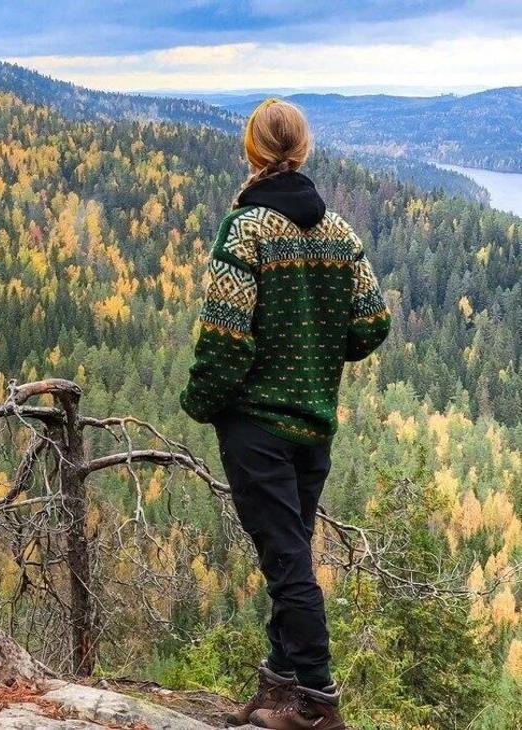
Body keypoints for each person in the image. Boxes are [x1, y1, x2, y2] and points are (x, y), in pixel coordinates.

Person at [180, 98, 391, 730]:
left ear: (254, 151)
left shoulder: (245, 232)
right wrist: (324, 341)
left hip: (257, 428)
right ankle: (277, 691)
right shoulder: (338, 233)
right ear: (302, 150)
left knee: (287, 562)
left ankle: (318, 704)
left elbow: (224, 339)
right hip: (312, 427)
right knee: (289, 550)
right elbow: (372, 324)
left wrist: (202, 404)